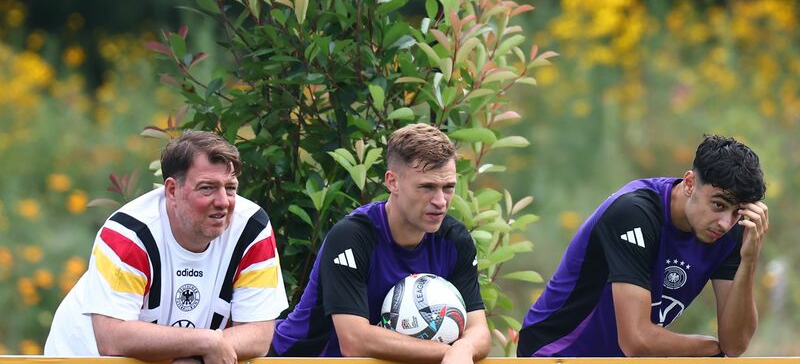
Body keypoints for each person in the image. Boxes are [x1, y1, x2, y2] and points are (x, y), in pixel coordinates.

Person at [45, 131, 289, 363]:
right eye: (207, 188)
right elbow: (112, 338)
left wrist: (198, 354)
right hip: (85, 357)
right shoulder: (128, 234)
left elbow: (259, 333)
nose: (223, 202)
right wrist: (205, 342)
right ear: (172, 190)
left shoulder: (252, 228)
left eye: (230, 188)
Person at [517, 134, 768, 357]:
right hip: (555, 352)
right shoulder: (634, 213)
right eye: (718, 205)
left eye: (736, 212)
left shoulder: (731, 231)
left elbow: (735, 345)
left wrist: (749, 260)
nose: (725, 223)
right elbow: (636, 341)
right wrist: (710, 347)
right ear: (690, 183)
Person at [269, 123, 491, 363]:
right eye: (427, 187)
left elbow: (479, 331)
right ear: (392, 182)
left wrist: (465, 347)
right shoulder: (352, 237)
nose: (440, 201)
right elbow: (354, 341)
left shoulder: (454, 240)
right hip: (296, 359)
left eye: (448, 188)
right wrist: (449, 352)